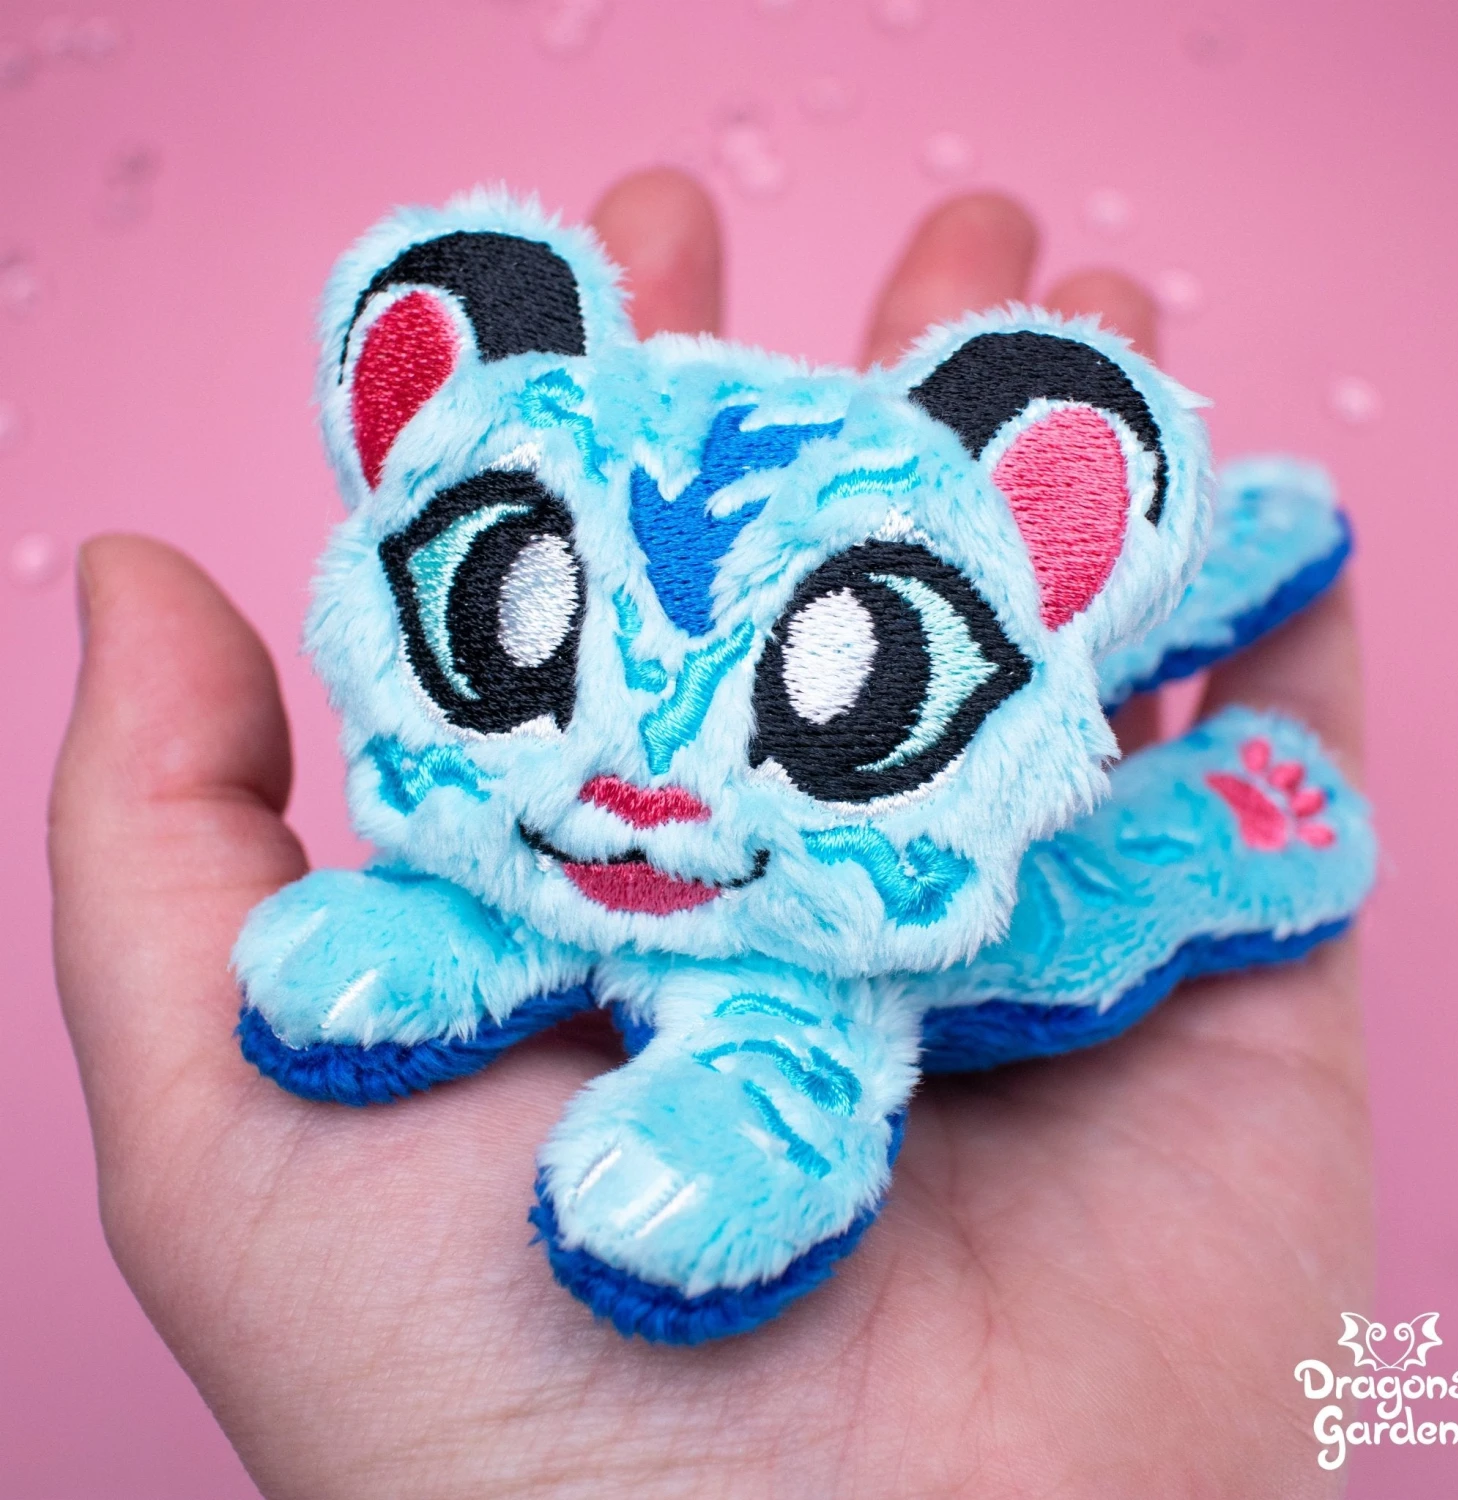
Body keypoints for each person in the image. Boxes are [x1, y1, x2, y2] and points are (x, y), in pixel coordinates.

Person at [48, 168, 1368, 1497]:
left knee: (1069, 906)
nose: (650, 797)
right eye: (510, 615)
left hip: (834, 929)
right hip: (578, 885)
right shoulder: (496, 858)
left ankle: (1231, 804)